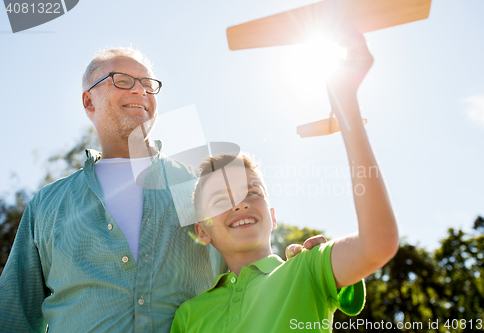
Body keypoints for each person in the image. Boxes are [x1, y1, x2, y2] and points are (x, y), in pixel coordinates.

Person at [0, 47, 320, 333]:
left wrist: (294, 267)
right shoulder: (47, 204)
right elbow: (13, 317)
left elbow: (251, 272)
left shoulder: (200, 188)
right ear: (89, 100)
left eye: (148, 84)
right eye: (122, 80)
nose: (140, 90)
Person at [170, 28, 399, 333]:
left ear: (272, 216)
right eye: (222, 200)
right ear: (202, 231)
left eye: (251, 191)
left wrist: (347, 106)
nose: (240, 204)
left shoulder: (308, 268)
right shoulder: (189, 316)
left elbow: (378, 244)